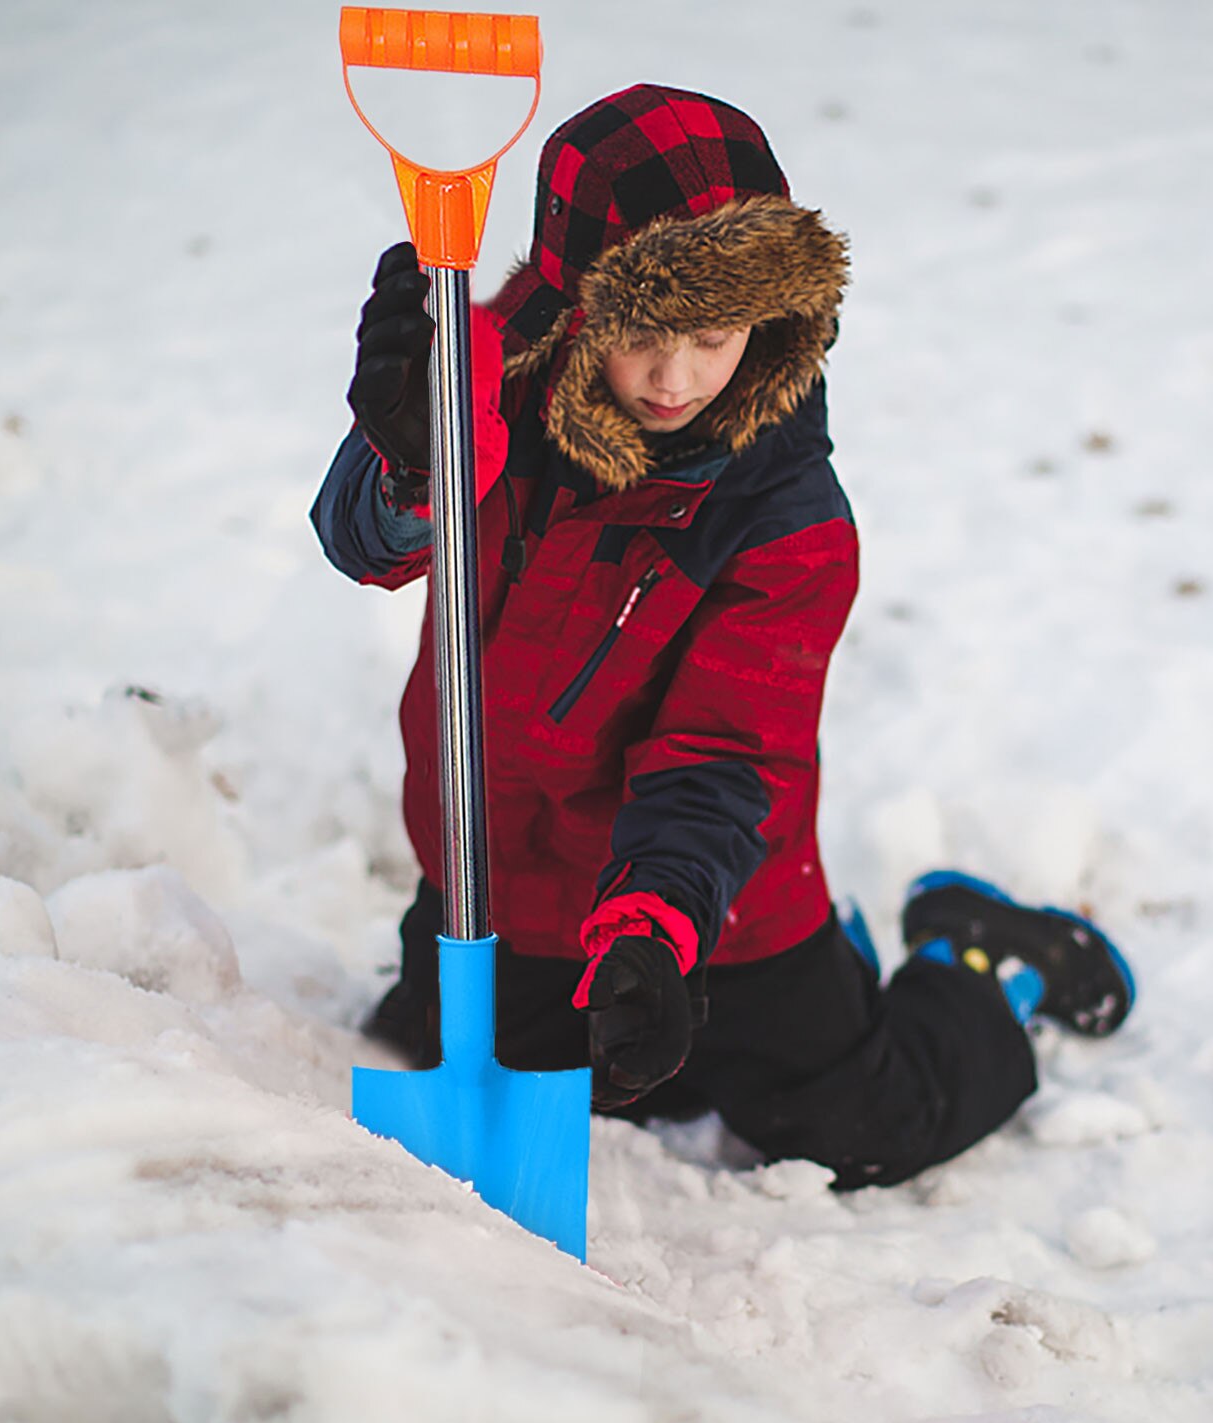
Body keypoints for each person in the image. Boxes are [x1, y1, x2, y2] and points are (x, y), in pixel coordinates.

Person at [311, 84, 1134, 1190]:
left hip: (709, 900)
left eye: (713, 335)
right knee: (436, 1066)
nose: (677, 378)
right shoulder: (479, 388)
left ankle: (983, 962)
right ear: (576, 306)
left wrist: (655, 924)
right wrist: (411, 461)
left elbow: (725, 750)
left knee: (857, 1126)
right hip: (491, 892)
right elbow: (368, 546)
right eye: (642, 334)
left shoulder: (786, 514)